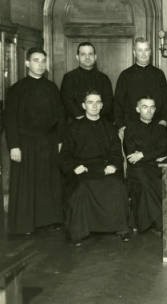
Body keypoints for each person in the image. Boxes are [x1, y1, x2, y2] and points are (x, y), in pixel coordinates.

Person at [5, 48, 65, 235]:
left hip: (48, 141)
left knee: (48, 181)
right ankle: (25, 224)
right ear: (27, 63)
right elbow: (10, 120)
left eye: (43, 60)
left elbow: (60, 117)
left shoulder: (51, 88)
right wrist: (14, 145)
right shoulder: (16, 89)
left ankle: (50, 220)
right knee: (26, 183)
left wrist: (60, 140)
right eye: (36, 60)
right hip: (25, 143)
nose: (40, 64)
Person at [60, 91, 130, 245]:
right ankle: (79, 231)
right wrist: (74, 167)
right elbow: (65, 155)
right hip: (82, 169)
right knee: (81, 189)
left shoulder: (110, 128)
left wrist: (112, 165)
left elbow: (116, 153)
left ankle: (119, 227)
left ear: (102, 106)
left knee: (117, 187)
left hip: (104, 168)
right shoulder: (73, 128)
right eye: (90, 102)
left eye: (98, 102)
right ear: (84, 105)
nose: (94, 106)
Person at [124, 96, 167, 234]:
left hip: (155, 167)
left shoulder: (160, 129)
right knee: (145, 181)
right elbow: (132, 156)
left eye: (152, 107)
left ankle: (146, 223)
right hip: (137, 170)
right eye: (145, 107)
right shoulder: (130, 129)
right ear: (138, 109)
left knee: (154, 181)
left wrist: (142, 154)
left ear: (155, 109)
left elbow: (164, 149)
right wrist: (153, 155)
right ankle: (163, 225)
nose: (149, 110)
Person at [114, 37, 167, 138]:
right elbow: (118, 103)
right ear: (134, 53)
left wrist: (164, 120)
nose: (143, 54)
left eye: (146, 50)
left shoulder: (159, 74)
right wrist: (121, 125)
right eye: (140, 50)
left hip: (156, 126)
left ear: (150, 52)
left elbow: (166, 101)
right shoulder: (125, 75)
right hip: (131, 127)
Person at [60, 42, 114, 122]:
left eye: (90, 54)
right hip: (77, 123)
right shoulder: (69, 77)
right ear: (77, 57)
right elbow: (67, 101)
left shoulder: (104, 78)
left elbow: (108, 102)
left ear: (95, 57)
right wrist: (82, 118)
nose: (87, 57)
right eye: (83, 54)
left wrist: (95, 117)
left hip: (99, 122)